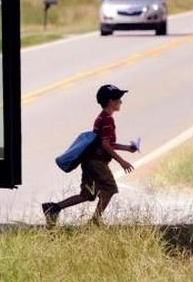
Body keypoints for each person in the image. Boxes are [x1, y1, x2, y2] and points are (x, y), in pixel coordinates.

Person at [42, 84, 137, 227]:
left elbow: (104, 142)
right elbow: (105, 145)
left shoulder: (102, 118)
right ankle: (95, 222)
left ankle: (53, 208)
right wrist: (122, 161)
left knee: (87, 194)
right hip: (97, 162)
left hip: (90, 160)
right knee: (110, 188)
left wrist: (127, 148)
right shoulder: (107, 120)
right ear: (110, 101)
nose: (120, 102)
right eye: (118, 99)